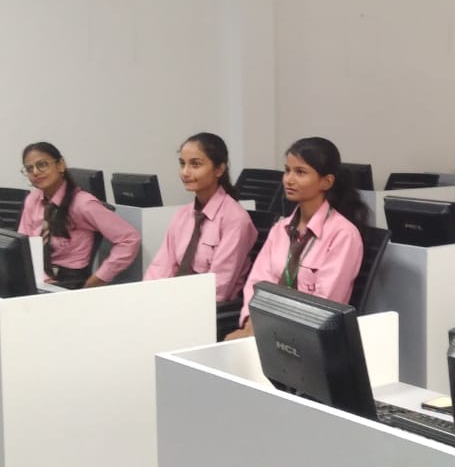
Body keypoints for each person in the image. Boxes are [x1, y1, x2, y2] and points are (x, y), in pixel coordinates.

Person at [226, 137, 367, 340]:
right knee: (228, 345)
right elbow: (257, 282)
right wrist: (250, 324)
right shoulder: (280, 228)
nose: (289, 179)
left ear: (326, 181)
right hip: (267, 328)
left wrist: (267, 330)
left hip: (309, 336)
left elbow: (324, 304)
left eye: (300, 172)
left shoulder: (343, 234)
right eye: (287, 170)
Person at [143, 133, 258, 303]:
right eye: (182, 164)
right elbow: (162, 267)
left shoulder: (235, 219)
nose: (185, 172)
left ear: (219, 169)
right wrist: (145, 299)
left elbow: (219, 285)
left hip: (208, 309)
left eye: (195, 164)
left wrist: (177, 307)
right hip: (173, 302)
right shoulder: (183, 214)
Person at [17, 142, 140, 289]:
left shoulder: (83, 204)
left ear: (60, 165)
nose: (36, 172)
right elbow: (23, 245)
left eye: (42, 165)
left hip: (69, 282)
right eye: (29, 169)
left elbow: (130, 238)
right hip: (39, 277)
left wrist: (99, 278)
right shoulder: (33, 200)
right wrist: (42, 279)